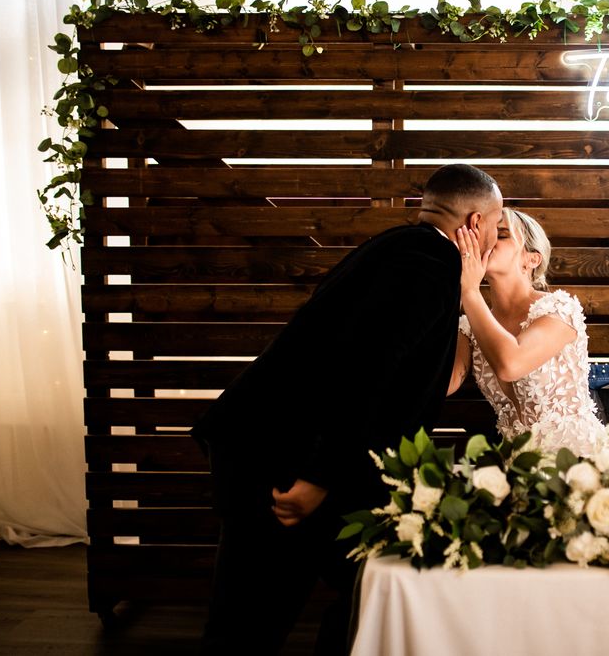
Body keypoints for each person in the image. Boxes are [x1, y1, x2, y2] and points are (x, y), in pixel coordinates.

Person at [190, 164, 504, 655]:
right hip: (287, 461)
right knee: (246, 630)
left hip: (281, 445)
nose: (494, 239)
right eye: (497, 226)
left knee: (358, 598)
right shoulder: (432, 266)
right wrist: (320, 476)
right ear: (474, 224)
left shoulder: (392, 248)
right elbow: (363, 371)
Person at [447, 208, 609, 457]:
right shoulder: (470, 326)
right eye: (486, 234)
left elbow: (510, 364)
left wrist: (470, 292)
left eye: (501, 235)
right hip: (517, 468)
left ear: (531, 259)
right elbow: (444, 384)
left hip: (579, 462)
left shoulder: (558, 309)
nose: (489, 241)